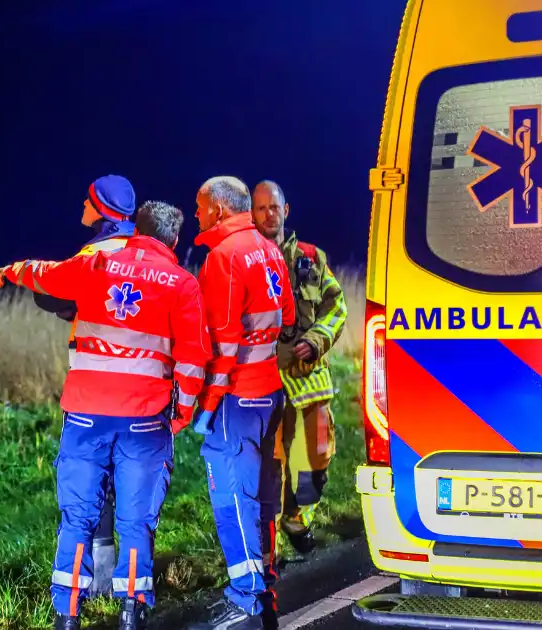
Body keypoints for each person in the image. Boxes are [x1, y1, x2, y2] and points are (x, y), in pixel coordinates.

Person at [0, 201, 210, 630]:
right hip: (144, 419)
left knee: (77, 515)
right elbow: (193, 361)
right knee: (135, 518)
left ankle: (66, 612)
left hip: (84, 416)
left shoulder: (96, 262)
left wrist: (13, 269)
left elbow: (49, 274)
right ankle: (131, 609)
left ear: (136, 229)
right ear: (173, 240)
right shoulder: (182, 283)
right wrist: (182, 414)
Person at [187, 177, 295, 630]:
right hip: (271, 389)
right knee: (263, 493)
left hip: (238, 396)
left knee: (233, 495)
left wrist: (207, 405)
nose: (195, 215)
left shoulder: (223, 257)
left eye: (199, 207)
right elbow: (287, 316)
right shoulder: (268, 248)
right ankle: (263, 582)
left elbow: (225, 341)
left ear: (217, 208)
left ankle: (245, 598)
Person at [31, 174, 138, 597]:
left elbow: (52, 293)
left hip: (94, 394)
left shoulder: (93, 253)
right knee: (129, 488)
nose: (82, 204)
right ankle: (126, 584)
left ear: (103, 209)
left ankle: (89, 583)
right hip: (138, 393)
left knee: (88, 488)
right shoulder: (142, 251)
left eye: (88, 200)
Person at [251, 181, 347, 555]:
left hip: (310, 383)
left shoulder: (311, 257)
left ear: (285, 211)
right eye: (260, 209)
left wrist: (317, 340)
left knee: (315, 465)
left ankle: (298, 518)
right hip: (265, 386)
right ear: (252, 214)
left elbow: (336, 308)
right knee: (269, 472)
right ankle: (266, 552)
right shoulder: (245, 259)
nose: (268, 214)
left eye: (274, 207)